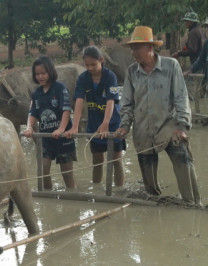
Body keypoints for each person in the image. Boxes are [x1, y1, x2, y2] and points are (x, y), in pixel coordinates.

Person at [116, 26, 201, 205]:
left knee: (182, 159)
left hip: (168, 126)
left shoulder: (171, 66)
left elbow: (181, 98)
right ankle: (154, 203)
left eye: (136, 48)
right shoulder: (132, 72)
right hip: (142, 129)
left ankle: (192, 203)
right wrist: (124, 125)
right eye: (132, 48)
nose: (133, 52)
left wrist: (182, 126)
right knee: (148, 175)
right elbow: (127, 103)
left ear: (149, 47)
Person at [64, 46, 125, 186]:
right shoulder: (83, 78)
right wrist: (74, 126)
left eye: (93, 64)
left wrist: (106, 123)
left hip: (113, 123)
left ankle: (119, 190)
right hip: (94, 123)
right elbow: (79, 101)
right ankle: (97, 189)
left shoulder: (110, 77)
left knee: (116, 159)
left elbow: (111, 101)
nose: (90, 68)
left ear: (101, 60)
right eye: (87, 65)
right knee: (97, 160)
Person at [23, 55, 77, 190]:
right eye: (37, 74)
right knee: (43, 170)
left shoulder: (60, 88)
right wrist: (29, 127)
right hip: (46, 138)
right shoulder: (36, 93)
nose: (40, 76)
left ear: (50, 72)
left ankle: (72, 197)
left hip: (63, 138)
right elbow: (32, 113)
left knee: (67, 173)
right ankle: (48, 195)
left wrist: (61, 129)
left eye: (43, 73)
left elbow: (66, 110)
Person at [184, 18, 208, 98]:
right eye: (207, 27)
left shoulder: (194, 32)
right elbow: (201, 59)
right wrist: (190, 70)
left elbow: (193, 50)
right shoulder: (207, 43)